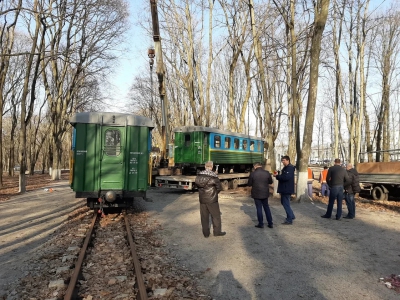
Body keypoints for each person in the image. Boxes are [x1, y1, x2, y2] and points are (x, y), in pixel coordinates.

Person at [195, 161, 226, 237]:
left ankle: (206, 233)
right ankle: (217, 232)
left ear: (205, 166)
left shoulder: (198, 176)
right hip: (212, 200)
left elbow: (197, 186)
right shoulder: (214, 176)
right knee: (216, 216)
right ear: (212, 167)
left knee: (204, 217)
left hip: (202, 199)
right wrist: (214, 194)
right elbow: (219, 188)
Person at [248, 162, 273, 228]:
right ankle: (270, 223)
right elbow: (270, 182)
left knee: (259, 208)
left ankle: (261, 223)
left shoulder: (253, 174)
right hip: (265, 193)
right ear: (261, 166)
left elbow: (249, 184)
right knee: (266, 207)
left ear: (255, 167)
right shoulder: (267, 173)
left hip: (256, 193)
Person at [273, 155, 296, 225]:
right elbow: (284, 176)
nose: (282, 162)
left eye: (284, 160)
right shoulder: (286, 168)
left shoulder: (290, 168)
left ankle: (289, 219)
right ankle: (291, 215)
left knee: (286, 203)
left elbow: (286, 177)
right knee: (285, 203)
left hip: (286, 188)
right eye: (282, 160)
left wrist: (277, 176)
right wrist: (278, 174)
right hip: (285, 188)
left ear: (288, 160)